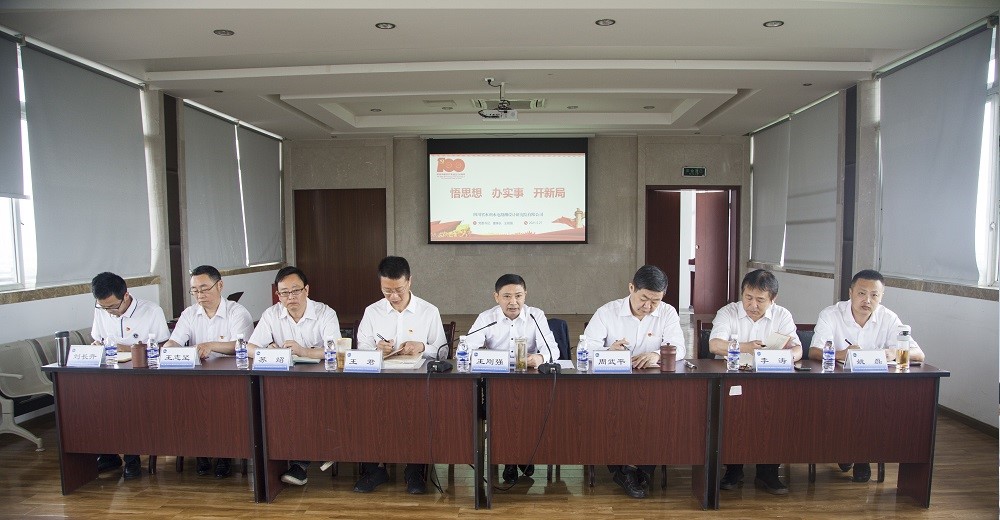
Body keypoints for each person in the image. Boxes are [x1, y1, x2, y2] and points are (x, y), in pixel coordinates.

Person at [808, 268, 925, 483]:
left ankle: (863, 457)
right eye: (862, 293)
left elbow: (919, 354)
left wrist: (893, 352)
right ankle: (843, 450)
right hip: (839, 385)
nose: (867, 300)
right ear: (850, 292)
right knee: (841, 406)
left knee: (875, 406)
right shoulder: (831, 314)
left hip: (875, 388)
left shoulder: (889, 318)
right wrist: (843, 354)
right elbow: (814, 352)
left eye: (874, 295)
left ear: (882, 296)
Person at [583, 264, 686, 499]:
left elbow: (679, 348)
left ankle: (640, 469)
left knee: (658, 414)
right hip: (613, 386)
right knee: (613, 415)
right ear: (631, 288)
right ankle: (625, 470)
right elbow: (585, 349)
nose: (648, 306)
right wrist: (609, 350)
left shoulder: (668, 313)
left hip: (653, 387)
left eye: (655, 301)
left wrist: (657, 355)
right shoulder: (607, 312)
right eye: (644, 299)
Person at [354, 255, 446, 494]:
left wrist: (422, 346)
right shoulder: (372, 312)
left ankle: (414, 470)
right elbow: (361, 348)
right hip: (379, 381)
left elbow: (443, 351)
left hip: (417, 382)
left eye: (399, 290)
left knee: (416, 414)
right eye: (387, 291)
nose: (393, 296)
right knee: (366, 412)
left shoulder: (428, 311)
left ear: (409, 282)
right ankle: (375, 469)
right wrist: (377, 350)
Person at [709, 269, 800, 496]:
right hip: (733, 379)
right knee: (733, 415)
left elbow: (798, 349)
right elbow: (715, 345)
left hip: (770, 380)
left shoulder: (782, 315)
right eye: (748, 297)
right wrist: (747, 347)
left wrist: (786, 355)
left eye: (760, 300)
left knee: (777, 414)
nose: (752, 305)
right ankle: (733, 469)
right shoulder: (728, 312)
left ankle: (768, 472)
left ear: (773, 299)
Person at [248, 266, 341, 487]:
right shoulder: (271, 315)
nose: (290, 297)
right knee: (276, 406)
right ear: (278, 295)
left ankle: (310, 457)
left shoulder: (325, 313)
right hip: (285, 380)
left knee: (308, 405)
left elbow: (337, 350)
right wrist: (269, 352)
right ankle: (307, 456)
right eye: (284, 293)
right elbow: (250, 347)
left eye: (295, 290)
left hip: (321, 380)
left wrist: (304, 351)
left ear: (306, 290)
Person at [163, 265, 254, 479]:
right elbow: (175, 341)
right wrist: (168, 348)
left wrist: (211, 346)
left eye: (204, 289)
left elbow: (242, 346)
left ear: (220, 285)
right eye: (194, 290)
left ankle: (225, 455)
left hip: (231, 379)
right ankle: (201, 452)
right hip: (197, 378)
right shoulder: (189, 313)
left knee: (223, 407)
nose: (199, 295)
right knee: (186, 405)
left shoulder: (237, 312)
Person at [467, 273, 558, 483]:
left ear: (525, 295)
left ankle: (524, 454)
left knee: (528, 411)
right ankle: (509, 459)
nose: (513, 302)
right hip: (496, 383)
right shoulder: (486, 318)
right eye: (507, 296)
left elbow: (553, 350)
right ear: (496, 297)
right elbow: (467, 349)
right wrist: (491, 358)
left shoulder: (536, 316)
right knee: (503, 409)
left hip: (530, 382)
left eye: (518, 295)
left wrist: (539, 357)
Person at [90, 271, 170, 481]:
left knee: (127, 404)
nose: (109, 312)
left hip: (144, 376)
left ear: (126, 295)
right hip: (110, 374)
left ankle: (132, 458)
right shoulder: (101, 309)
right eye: (103, 307)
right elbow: (98, 339)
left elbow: (164, 347)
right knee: (92, 402)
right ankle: (107, 455)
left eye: (113, 307)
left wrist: (126, 348)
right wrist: (97, 345)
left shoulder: (151, 311)